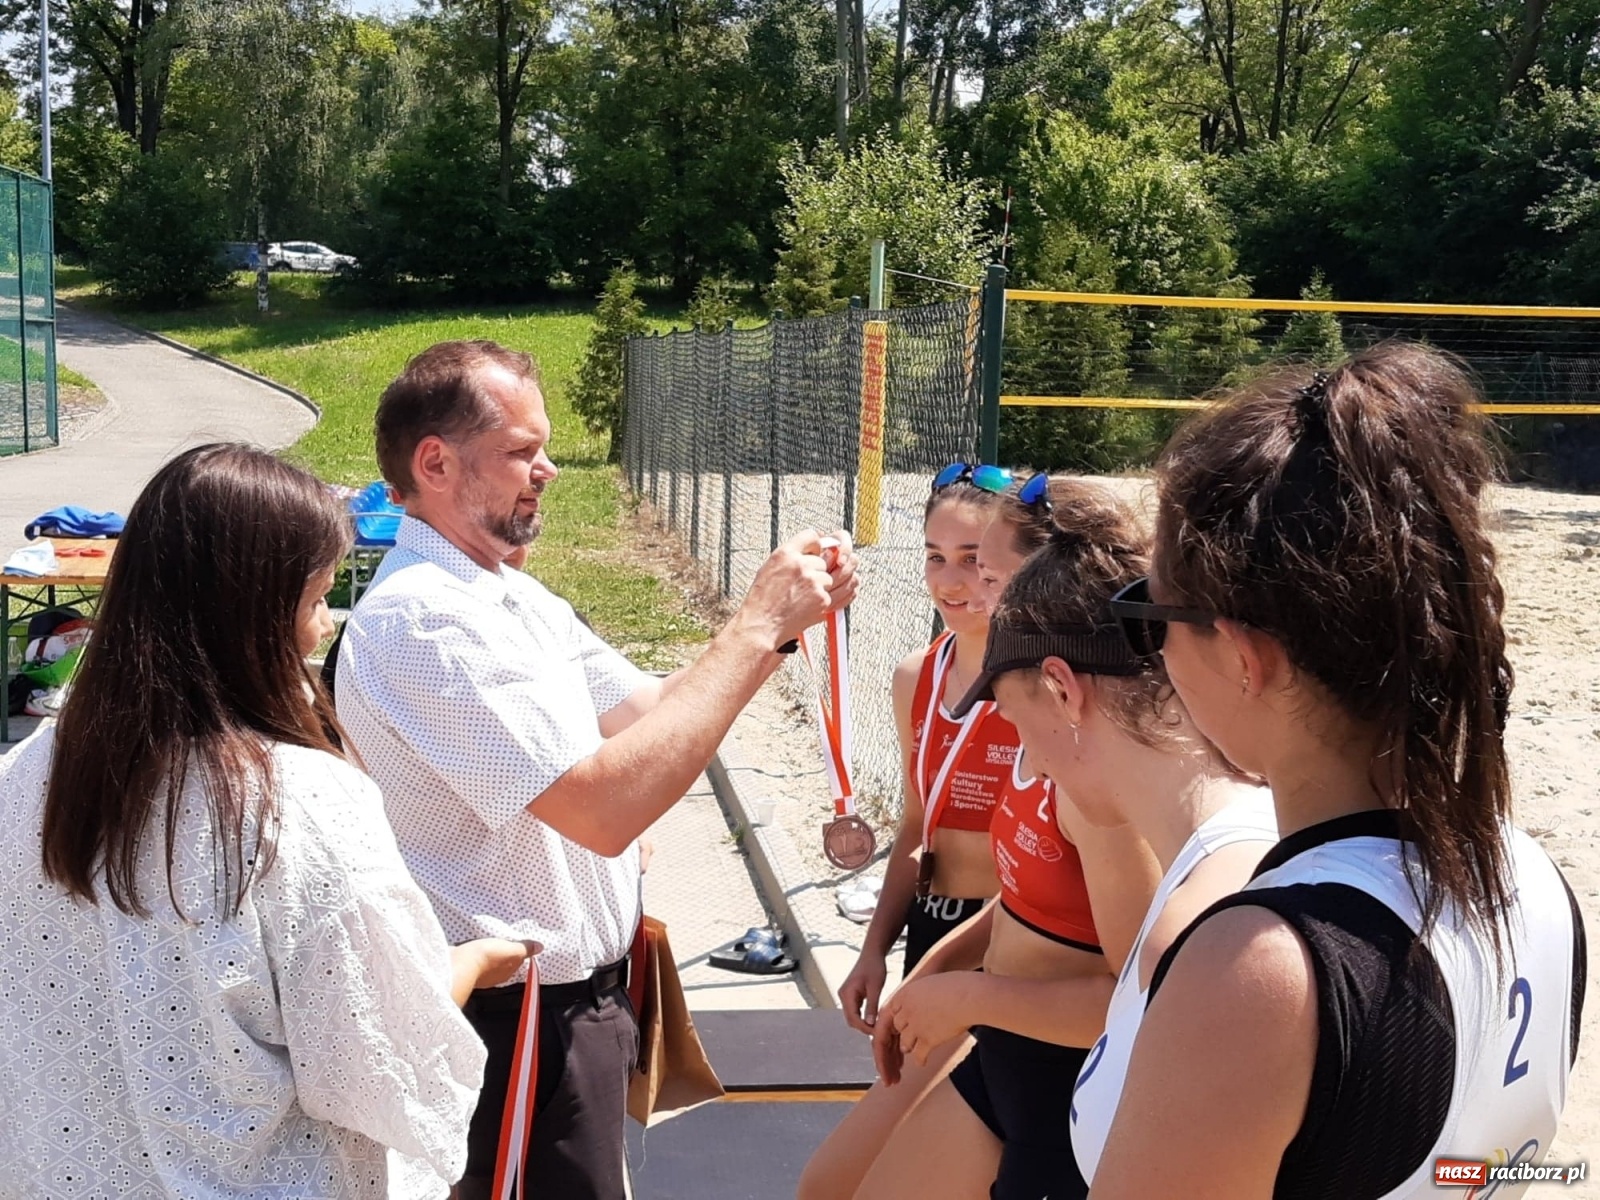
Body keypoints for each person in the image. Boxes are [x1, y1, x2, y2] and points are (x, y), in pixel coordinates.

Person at [335, 340, 857, 1199]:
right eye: (519, 451)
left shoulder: (505, 595)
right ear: (434, 462)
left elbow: (653, 717)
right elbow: (603, 809)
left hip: (576, 1009)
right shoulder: (424, 623)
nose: (546, 469)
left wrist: (779, 628)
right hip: (515, 1027)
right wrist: (756, 627)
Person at [1090, 345, 1588, 1199]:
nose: (1152, 656)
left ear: (1244, 657)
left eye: (1151, 617)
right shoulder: (1534, 877)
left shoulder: (1259, 968)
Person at [0, 443, 517, 1199]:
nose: (321, 630)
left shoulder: (30, 772)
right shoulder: (299, 804)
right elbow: (371, 1068)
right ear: (250, 612)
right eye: (313, 601)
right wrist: (465, 966)